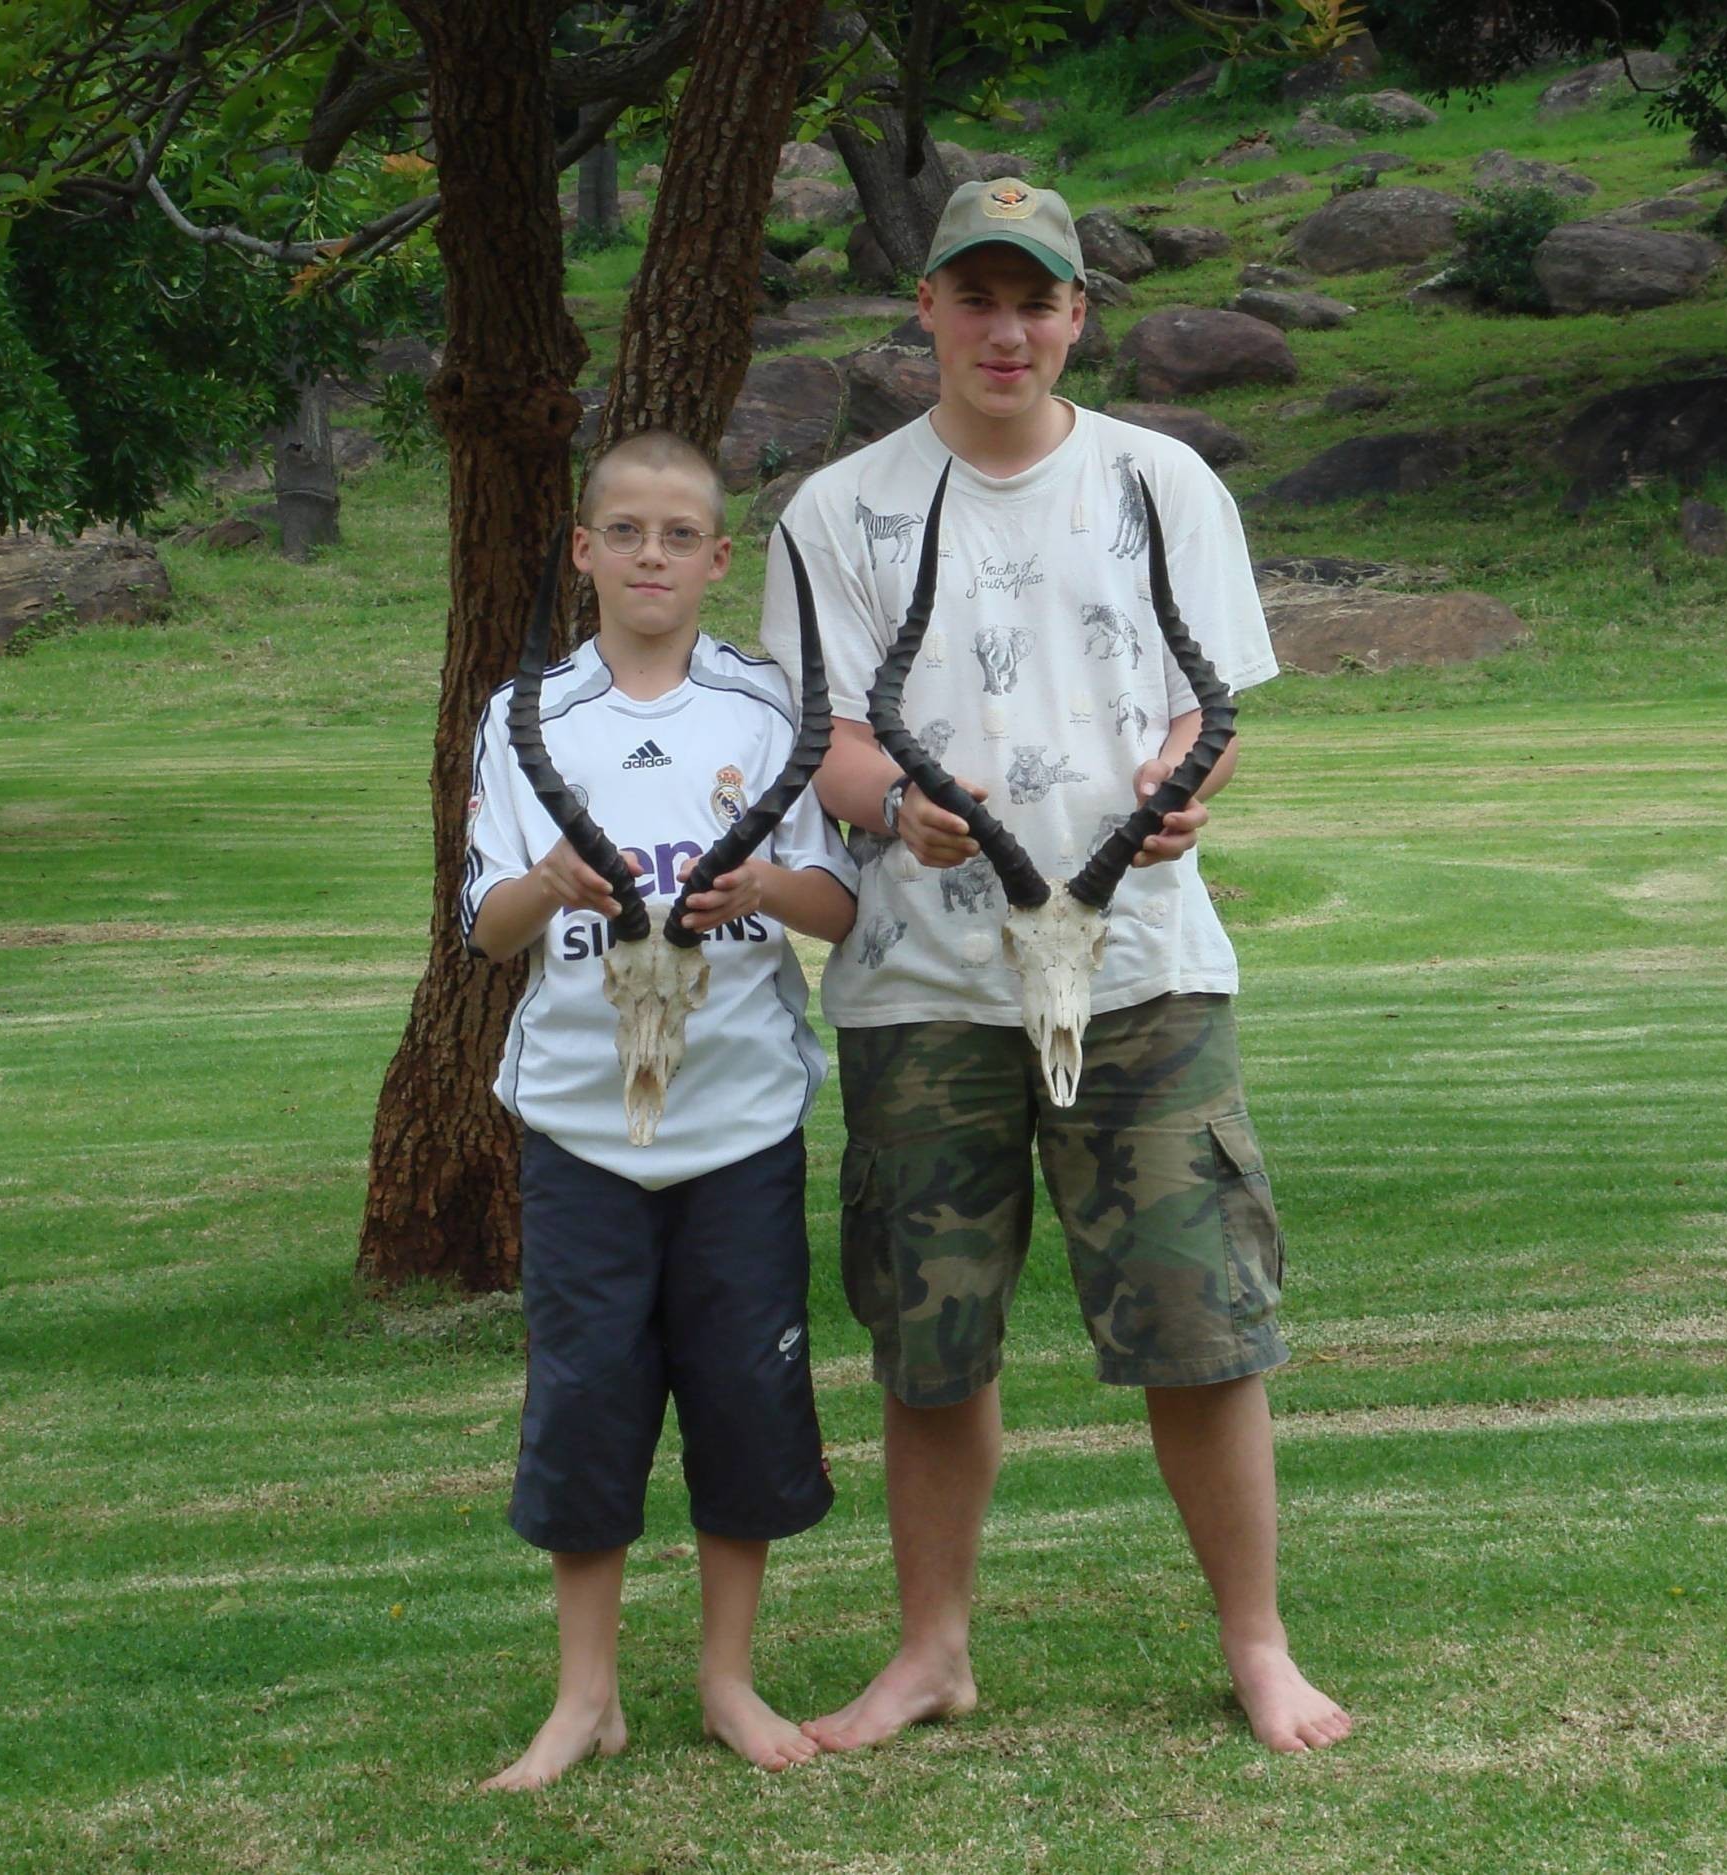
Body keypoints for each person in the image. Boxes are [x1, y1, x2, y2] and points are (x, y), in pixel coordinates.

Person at [762, 180, 1353, 1754]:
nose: (1006, 328)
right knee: (930, 1335)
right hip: (917, 983)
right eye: (977, 297)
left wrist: (1178, 790)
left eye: (1038, 300)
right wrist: (897, 808)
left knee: (1201, 1318)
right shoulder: (837, 513)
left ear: (1079, 314)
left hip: (1147, 967)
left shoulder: (1164, 484)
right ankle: (933, 1653)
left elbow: (1203, 697)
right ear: (929, 312)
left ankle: (1258, 1647)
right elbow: (824, 735)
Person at [461, 431, 859, 1790]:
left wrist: (765, 894)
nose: (649, 556)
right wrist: (551, 883)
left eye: (678, 535)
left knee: (744, 1392)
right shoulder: (530, 716)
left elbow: (836, 901)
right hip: (580, 1120)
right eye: (623, 532)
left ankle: (728, 1679)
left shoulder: (766, 714)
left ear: (714, 559)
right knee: (586, 1396)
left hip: (738, 1116)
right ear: (584, 550)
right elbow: (488, 925)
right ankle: (586, 1698)